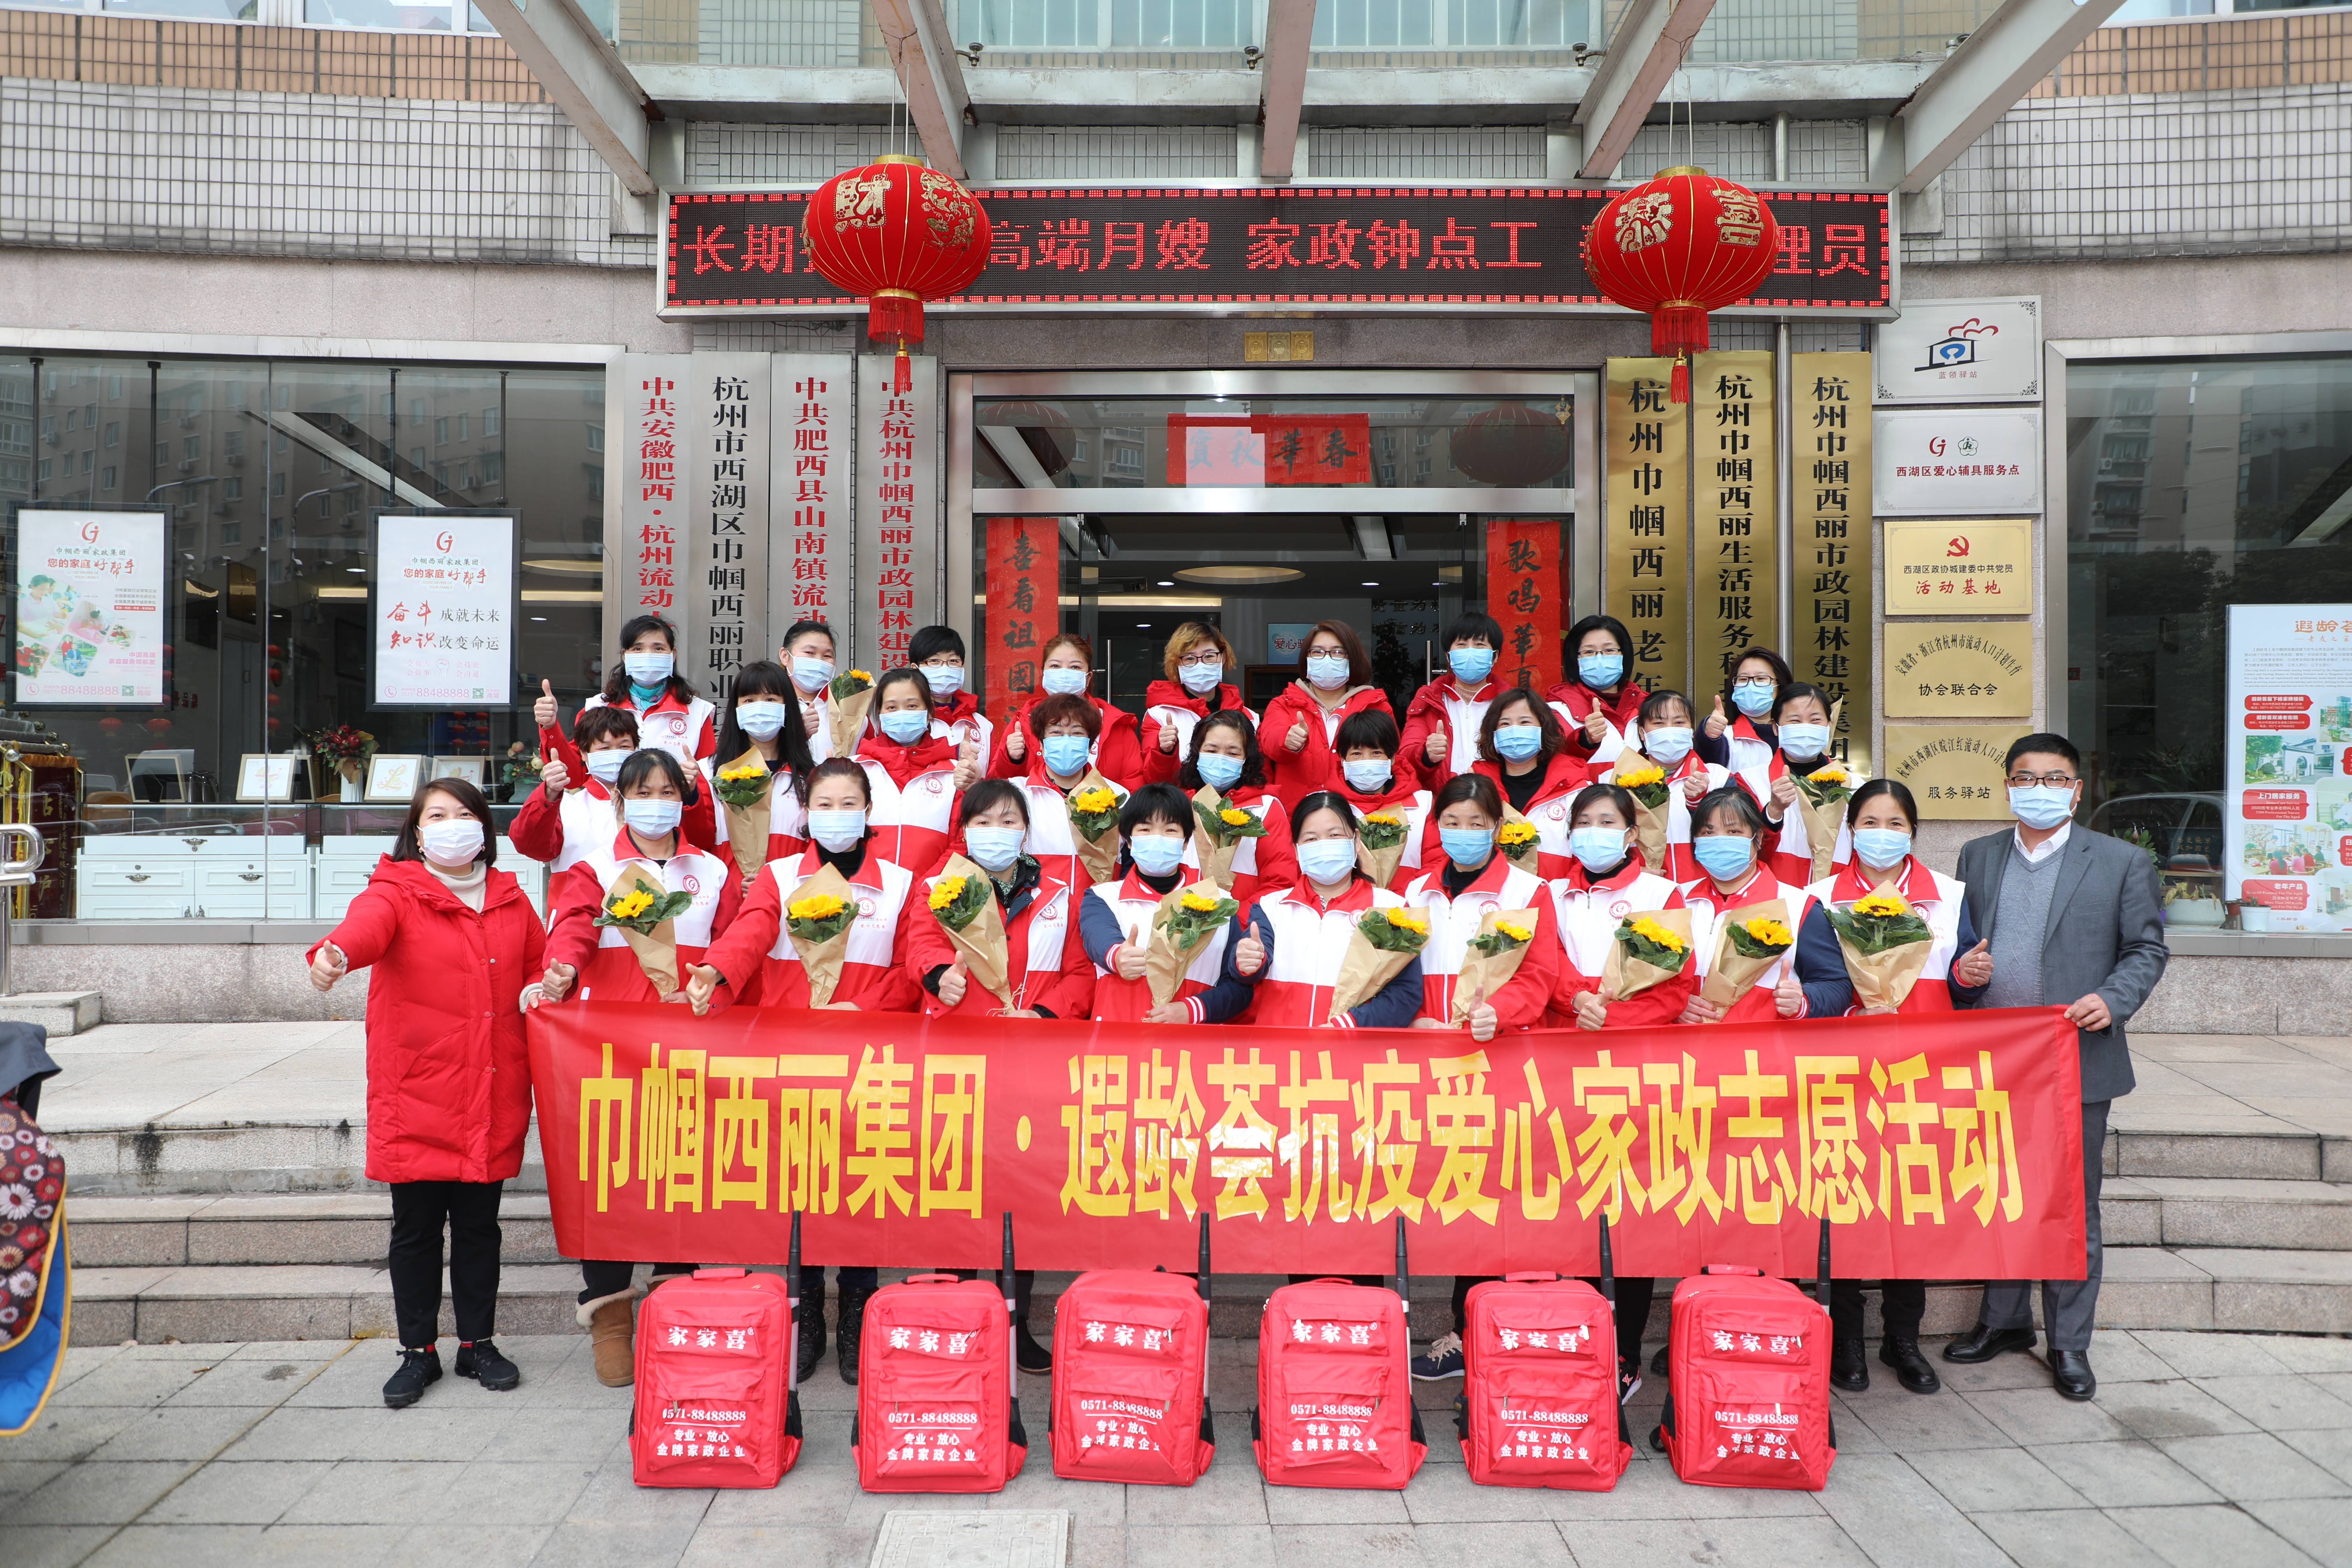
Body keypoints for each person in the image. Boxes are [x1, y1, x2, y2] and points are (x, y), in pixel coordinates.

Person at [1944, 733, 2168, 1404]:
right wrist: (1963, 972)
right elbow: (1961, 949)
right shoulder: (1978, 856)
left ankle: (2069, 1343)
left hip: (2075, 1058)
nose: (2037, 790)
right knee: (1999, 1195)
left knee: (2069, 1206)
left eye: (2053, 779)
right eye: (2025, 778)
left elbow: (2146, 949)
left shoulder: (2121, 862)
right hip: (1995, 1061)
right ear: (2007, 786)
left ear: (2076, 790)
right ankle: (2004, 1321)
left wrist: (2113, 999)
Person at [684, 756, 920, 1385]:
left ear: (869, 812)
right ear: (806, 814)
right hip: (791, 1063)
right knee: (802, 1188)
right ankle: (808, 1309)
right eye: (825, 805)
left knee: (863, 1189)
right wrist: (716, 971)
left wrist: (861, 1009)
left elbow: (911, 969)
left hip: (869, 1065)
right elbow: (751, 932)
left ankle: (859, 1309)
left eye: (849, 805)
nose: (837, 816)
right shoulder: (781, 876)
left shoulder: (901, 883)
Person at [304, 779, 540, 1408]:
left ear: (484, 829)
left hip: (490, 1089)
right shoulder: (396, 891)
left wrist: (547, 986)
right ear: (416, 832)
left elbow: (539, 966)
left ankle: (478, 1345)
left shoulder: (511, 899)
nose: (452, 825)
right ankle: (418, 1352)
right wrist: (334, 954)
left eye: (464, 814)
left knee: (479, 1228)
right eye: (436, 816)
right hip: (416, 1093)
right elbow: (364, 929)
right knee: (415, 1232)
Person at [1806, 777, 1990, 1397]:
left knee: (1913, 1208)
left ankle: (1903, 1338)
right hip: (1845, 1078)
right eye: (1870, 822)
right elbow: (1818, 984)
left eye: (1896, 824)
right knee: (1846, 1206)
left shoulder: (1949, 895)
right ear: (1850, 830)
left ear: (1914, 832)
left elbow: (1962, 984)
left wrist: (1969, 977)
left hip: (1925, 1075)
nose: (1882, 835)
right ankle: (1847, 1340)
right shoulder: (1821, 898)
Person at [1400, 771, 1562, 1384]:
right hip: (1423, 1065)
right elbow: (1394, 969)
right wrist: (1410, 1018)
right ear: (1436, 826)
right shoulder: (1414, 890)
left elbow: (1539, 975)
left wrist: (1500, 1012)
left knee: (1486, 1196)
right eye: (1452, 822)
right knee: (1432, 1192)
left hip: (1496, 1063)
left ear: (1498, 827)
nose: (1464, 832)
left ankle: (1471, 1331)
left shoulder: (1527, 890)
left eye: (1477, 822)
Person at [539, 749, 739, 1006]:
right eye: (644, 793)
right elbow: (575, 927)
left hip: (691, 1017)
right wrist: (567, 966)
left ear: (681, 799)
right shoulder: (596, 867)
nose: (656, 801)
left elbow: (731, 944)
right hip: (614, 1016)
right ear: (620, 799)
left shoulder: (713, 869)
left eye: (667, 792)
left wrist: (707, 992)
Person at [1079, 782, 1271, 1023]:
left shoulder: (1219, 902)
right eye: (1145, 829)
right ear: (1128, 841)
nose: (1157, 838)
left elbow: (1238, 990)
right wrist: (1117, 957)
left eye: (1170, 830)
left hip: (1190, 1044)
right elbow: (1099, 939)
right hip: (1117, 1040)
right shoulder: (1103, 897)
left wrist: (1192, 1011)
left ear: (1186, 842)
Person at [909, 780, 1095, 1021]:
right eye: (983, 823)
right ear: (965, 831)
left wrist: (1042, 1015)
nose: (995, 831)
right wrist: (941, 975)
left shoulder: (1059, 898)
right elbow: (923, 945)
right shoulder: (937, 889)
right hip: (957, 1034)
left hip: (1034, 1038)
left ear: (1025, 831)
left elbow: (1081, 974)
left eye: (1008, 822)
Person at [1243, 791, 1425, 1029]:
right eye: (1311, 839)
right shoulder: (1270, 907)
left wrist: (1348, 1025)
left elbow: (1405, 994)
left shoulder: (1392, 910)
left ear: (1356, 840)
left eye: (1335, 835)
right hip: (1279, 1047)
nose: (1324, 846)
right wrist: (1246, 962)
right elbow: (1248, 969)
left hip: (1351, 1047)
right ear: (1297, 850)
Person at [1676, 786, 1852, 1025]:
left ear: (1758, 839)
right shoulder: (1675, 900)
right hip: (1682, 1046)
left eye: (1734, 831)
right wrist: (1674, 1004)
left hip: (1764, 1046)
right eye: (1709, 832)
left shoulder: (1798, 907)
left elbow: (1836, 985)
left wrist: (1802, 1002)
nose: (1720, 841)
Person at [1545, 782, 1694, 1031]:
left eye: (1606, 823)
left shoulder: (1660, 893)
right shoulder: (1552, 893)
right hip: (1562, 1034)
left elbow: (1675, 984)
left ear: (1631, 833)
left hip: (1632, 1038)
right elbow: (1544, 962)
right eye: (1583, 823)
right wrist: (1578, 1000)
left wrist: (1608, 1018)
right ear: (1570, 834)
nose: (1594, 831)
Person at [509, 706, 718, 875]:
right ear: (584, 753)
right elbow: (531, 847)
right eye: (605, 748)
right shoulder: (567, 806)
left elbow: (700, 842)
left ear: (636, 749)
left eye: (624, 746)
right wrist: (549, 793)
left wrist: (689, 793)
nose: (616, 754)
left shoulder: (659, 802)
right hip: (581, 909)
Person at [1259, 621, 1395, 810]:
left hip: (1359, 814)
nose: (1327, 658)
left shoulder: (1376, 705)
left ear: (1352, 658)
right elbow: (1270, 743)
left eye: (1338, 652)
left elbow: (1392, 759)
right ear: (1307, 658)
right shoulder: (1283, 704)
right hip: (1296, 816)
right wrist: (1287, 741)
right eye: (1317, 652)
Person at [1727, 680, 1852, 886]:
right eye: (1795, 721)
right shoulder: (1749, 782)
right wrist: (1773, 812)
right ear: (1776, 728)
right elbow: (1741, 854)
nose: (1806, 728)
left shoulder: (1853, 786)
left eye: (1816, 720)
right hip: (1773, 898)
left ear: (1829, 726)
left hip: (1835, 896)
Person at [1595, 688, 1726, 882]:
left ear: (1691, 730)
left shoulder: (1719, 778)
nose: (1669, 730)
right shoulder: (1611, 781)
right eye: (1659, 723)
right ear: (1642, 732)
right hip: (1640, 889)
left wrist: (1699, 802)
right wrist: (1627, 872)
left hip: (1704, 891)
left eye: (1679, 723)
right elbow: (1598, 847)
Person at [853, 666, 974, 874]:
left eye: (912, 706)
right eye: (892, 707)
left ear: (929, 712)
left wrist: (928, 888)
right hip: (866, 891)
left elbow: (960, 843)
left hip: (932, 892)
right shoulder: (856, 770)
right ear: (879, 714)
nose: (902, 714)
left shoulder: (954, 774)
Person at [1002, 692, 1128, 892]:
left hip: (1097, 908)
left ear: (1090, 745)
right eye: (1056, 732)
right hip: (1035, 908)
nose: (1066, 740)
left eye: (1077, 733)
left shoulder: (1118, 796)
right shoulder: (1016, 794)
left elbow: (1130, 864)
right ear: (1042, 744)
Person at [1174, 709, 1299, 905]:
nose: (1221, 759)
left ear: (1247, 759)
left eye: (1233, 753)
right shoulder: (1179, 804)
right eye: (1211, 751)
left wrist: (1233, 920)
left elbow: (1280, 883)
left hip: (1243, 922)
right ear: (1197, 752)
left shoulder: (1266, 809)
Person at [989, 631, 1146, 788]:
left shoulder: (1116, 725)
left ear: (1088, 677)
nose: (1064, 674)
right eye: (1055, 666)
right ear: (1044, 674)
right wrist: (1012, 759)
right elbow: (999, 786)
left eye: (1075, 667)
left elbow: (1133, 784)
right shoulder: (1024, 722)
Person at [702, 659, 816, 872]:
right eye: (749, 700)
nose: (760, 708)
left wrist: (774, 882)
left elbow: (817, 847)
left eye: (771, 699)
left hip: (790, 889)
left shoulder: (812, 777)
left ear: (787, 708)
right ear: (736, 709)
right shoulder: (709, 772)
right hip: (727, 887)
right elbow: (698, 838)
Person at [1464, 688, 1584, 876]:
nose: (1514, 731)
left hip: (1560, 891)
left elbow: (1585, 862)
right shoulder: (1476, 787)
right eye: (1505, 724)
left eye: (1525, 722)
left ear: (1544, 728)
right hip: (1490, 893)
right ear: (1493, 733)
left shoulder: (1575, 788)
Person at [581, 614, 717, 775]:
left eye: (658, 648)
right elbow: (576, 771)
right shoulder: (597, 706)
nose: (648, 655)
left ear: (673, 655)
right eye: (638, 649)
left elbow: (709, 777)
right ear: (625, 656)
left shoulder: (698, 712)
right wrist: (554, 725)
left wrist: (693, 783)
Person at [1140, 622, 1256, 786]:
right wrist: (1165, 752)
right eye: (1189, 658)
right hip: (1182, 800)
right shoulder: (1159, 714)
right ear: (1177, 664)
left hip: (1235, 801)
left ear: (1222, 658)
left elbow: (1258, 775)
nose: (1200, 664)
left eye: (1209, 656)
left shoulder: (1249, 718)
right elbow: (1154, 780)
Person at [1331, 709, 1435, 890]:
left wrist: (1399, 901)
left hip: (1409, 904)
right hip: (1345, 906)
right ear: (1342, 759)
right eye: (1357, 754)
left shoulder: (1424, 804)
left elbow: (1436, 862)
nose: (1366, 761)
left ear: (1392, 757)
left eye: (1376, 753)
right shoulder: (1325, 807)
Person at [1398, 611, 1506, 782]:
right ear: (1449, 657)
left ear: (1495, 657)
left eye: (1479, 644)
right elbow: (1405, 757)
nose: (1470, 651)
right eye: (1462, 645)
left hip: (1495, 794)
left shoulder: (1510, 703)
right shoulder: (1429, 700)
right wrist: (1426, 755)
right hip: (1445, 795)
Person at [1546, 614, 1647, 765]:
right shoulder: (1557, 709)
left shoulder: (1647, 705)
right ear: (1575, 659)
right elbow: (1557, 760)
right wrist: (1585, 740)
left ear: (1624, 654)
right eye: (1589, 652)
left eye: (1609, 650)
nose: (1600, 658)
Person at [1699, 645, 1792, 775]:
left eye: (1761, 679)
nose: (1751, 685)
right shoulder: (1725, 737)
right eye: (1743, 679)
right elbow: (1705, 758)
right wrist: (1708, 735)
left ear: (1780, 685)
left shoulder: (1796, 733)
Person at [911, 624, 993, 760]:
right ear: (915, 669)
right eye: (934, 661)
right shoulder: (906, 720)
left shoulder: (982, 724)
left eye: (953, 661)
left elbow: (994, 770)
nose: (945, 668)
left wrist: (1013, 759)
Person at [779, 618, 843, 761]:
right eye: (809, 652)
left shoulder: (849, 708)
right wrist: (794, 734)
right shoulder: (769, 704)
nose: (819, 661)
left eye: (827, 656)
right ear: (785, 656)